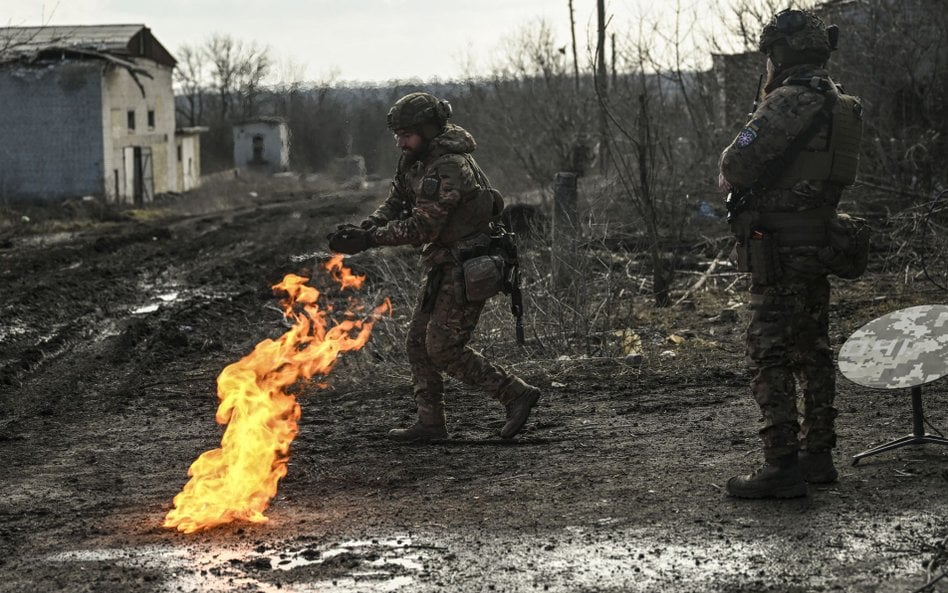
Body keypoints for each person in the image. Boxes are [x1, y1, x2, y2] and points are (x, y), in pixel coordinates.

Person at [327, 91, 540, 442]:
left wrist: (370, 240)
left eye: (406, 134)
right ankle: (430, 424)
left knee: (442, 348)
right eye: (397, 134)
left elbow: (423, 227)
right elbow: (396, 201)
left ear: (427, 130)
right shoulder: (415, 159)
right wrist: (364, 228)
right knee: (416, 343)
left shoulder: (450, 167)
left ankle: (515, 394)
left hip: (468, 264)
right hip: (444, 262)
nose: (400, 142)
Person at [718, 9, 864, 498]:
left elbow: (736, 164)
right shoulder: (841, 104)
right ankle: (818, 454)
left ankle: (781, 465)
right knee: (813, 349)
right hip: (818, 240)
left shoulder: (786, 101)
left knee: (769, 353)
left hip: (778, 248)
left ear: (781, 54)